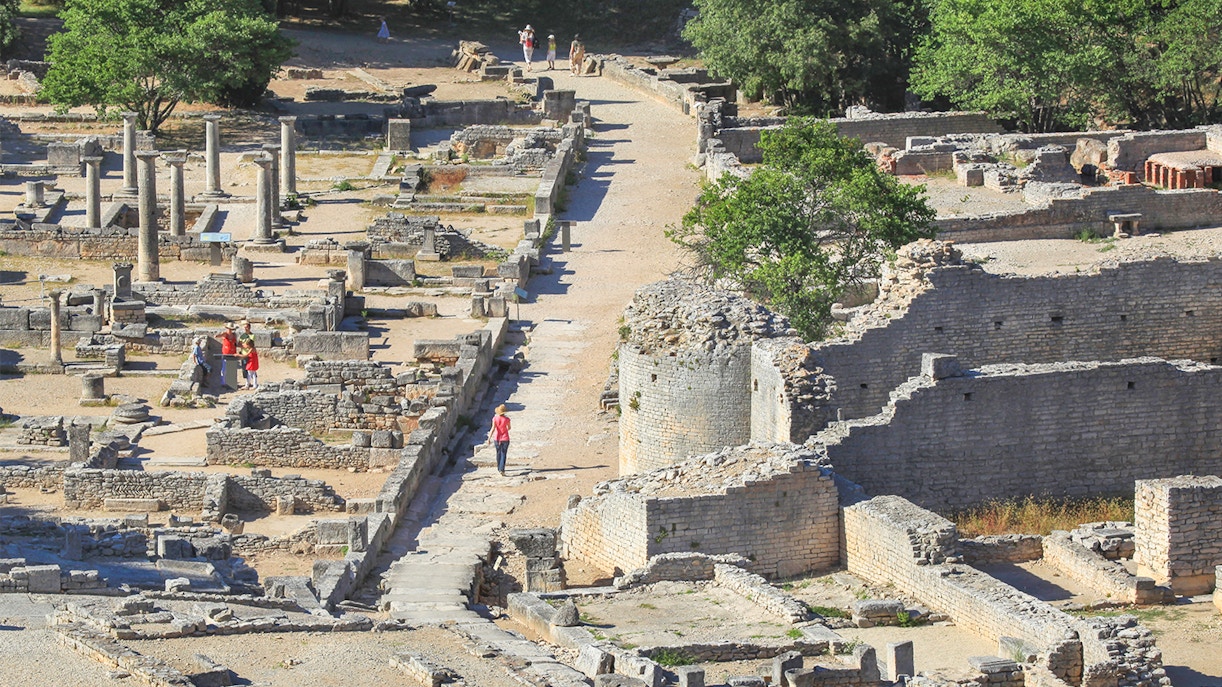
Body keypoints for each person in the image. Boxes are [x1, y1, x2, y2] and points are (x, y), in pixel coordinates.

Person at [487, 404, 511, 475]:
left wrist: (489, 438)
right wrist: (505, 430)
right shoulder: (507, 419)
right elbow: (509, 428)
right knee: (504, 454)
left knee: (498, 453)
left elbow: (493, 428)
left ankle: (498, 467)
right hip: (505, 438)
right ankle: (502, 469)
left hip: (497, 438)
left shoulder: (495, 419)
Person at [215, 322, 237, 389]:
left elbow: (235, 343)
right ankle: (223, 382)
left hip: (232, 353)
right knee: (224, 369)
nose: (229, 330)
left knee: (231, 368)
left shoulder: (234, 335)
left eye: (230, 329)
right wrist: (219, 335)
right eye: (228, 329)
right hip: (226, 354)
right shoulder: (225, 334)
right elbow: (217, 336)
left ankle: (231, 383)